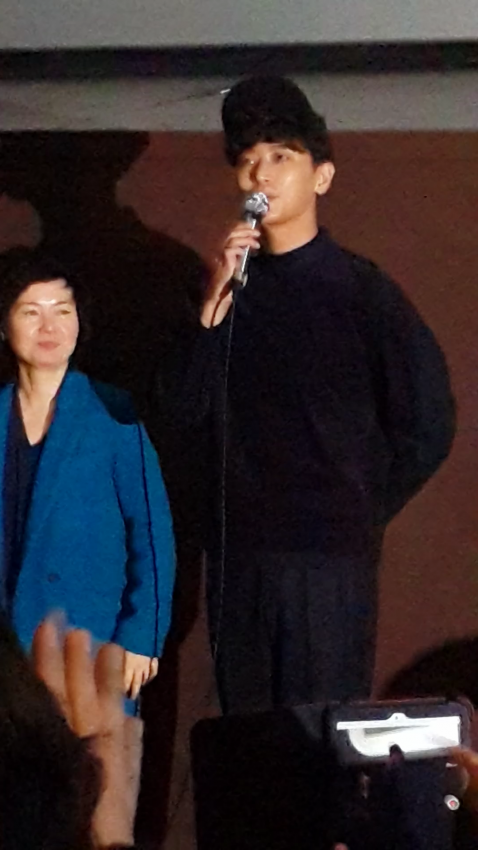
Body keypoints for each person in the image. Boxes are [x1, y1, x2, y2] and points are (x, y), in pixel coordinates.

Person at [170, 75, 456, 715]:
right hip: (240, 558)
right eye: (248, 159)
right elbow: (182, 415)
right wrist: (211, 314)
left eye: (281, 156)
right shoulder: (222, 291)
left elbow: (429, 422)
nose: (261, 174)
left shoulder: (360, 291)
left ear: (321, 176)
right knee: (248, 736)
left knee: (321, 731)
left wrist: (356, 504)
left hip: (327, 560)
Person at [0, 247, 175, 702]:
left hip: (90, 644)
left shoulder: (113, 413)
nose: (49, 327)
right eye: (31, 312)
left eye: (62, 311)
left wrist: (142, 637)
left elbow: (152, 533)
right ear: (4, 324)